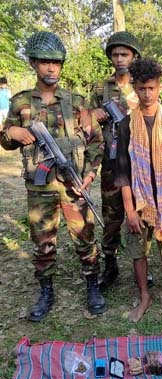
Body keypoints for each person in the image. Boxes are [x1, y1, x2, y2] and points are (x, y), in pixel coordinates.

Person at [0, 32, 106, 321]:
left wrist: (91, 174)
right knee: (42, 239)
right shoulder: (21, 102)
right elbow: (6, 138)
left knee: (85, 235)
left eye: (56, 63)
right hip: (40, 186)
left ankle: (92, 285)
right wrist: (12, 133)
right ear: (33, 63)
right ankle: (46, 290)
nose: (51, 68)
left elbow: (97, 141)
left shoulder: (77, 101)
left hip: (73, 184)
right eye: (45, 62)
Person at [114, 58, 162, 323]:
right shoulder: (125, 125)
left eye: (152, 88)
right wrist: (129, 211)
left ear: (160, 87)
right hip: (138, 202)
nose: (147, 94)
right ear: (134, 87)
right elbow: (122, 172)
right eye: (141, 88)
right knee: (138, 252)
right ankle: (144, 296)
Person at [89, 31, 142, 290]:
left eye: (125, 54)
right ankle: (110, 265)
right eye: (115, 54)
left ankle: (140, 266)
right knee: (111, 217)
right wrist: (93, 113)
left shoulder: (143, 83)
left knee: (140, 216)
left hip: (138, 163)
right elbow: (88, 125)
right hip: (111, 163)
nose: (120, 58)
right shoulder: (101, 88)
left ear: (134, 56)